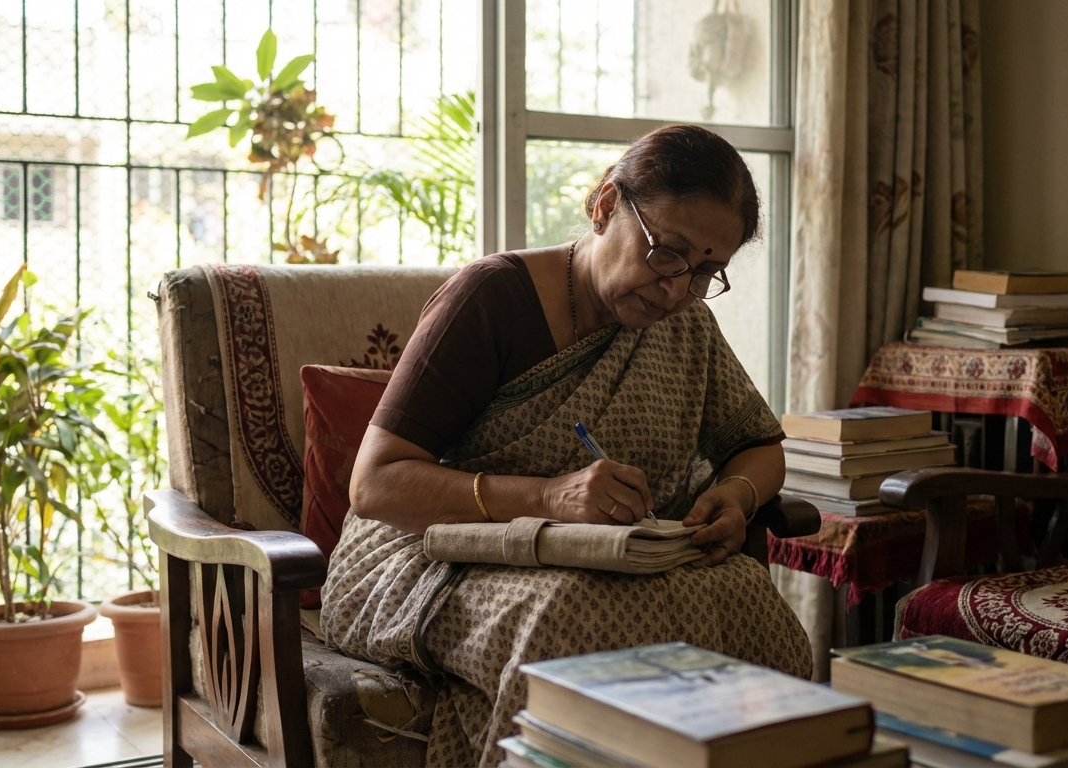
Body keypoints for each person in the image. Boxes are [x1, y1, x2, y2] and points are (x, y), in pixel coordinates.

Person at [321, 124, 811, 767]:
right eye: (667, 253)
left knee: (749, 603)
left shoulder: (686, 325)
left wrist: (738, 495)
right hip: (438, 554)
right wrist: (549, 498)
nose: (676, 290)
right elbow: (375, 485)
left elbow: (761, 447)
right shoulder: (491, 298)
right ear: (606, 205)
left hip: (612, 564)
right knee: (570, 617)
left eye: (704, 272)